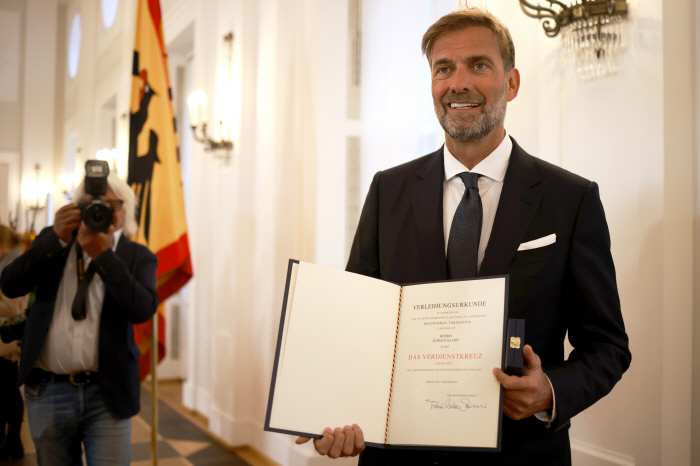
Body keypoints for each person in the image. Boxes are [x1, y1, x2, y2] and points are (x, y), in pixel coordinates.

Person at [296, 7, 631, 466]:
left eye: (478, 65)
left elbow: (608, 347)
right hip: (400, 455)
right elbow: (360, 328)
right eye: (443, 69)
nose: (458, 83)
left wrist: (548, 390)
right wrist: (330, 415)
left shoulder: (570, 198)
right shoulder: (387, 190)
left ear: (511, 83)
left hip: (521, 455)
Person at [0, 172, 159, 465]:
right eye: (88, 204)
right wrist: (56, 239)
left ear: (126, 210)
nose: (100, 211)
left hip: (108, 394)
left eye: (111, 204)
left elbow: (142, 309)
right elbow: (9, 284)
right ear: (74, 208)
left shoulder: (138, 256)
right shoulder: (53, 240)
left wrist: (104, 256)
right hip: (48, 389)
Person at [0, 225, 29, 461]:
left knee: (9, 392)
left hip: (7, 340)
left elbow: (14, 307)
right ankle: (7, 440)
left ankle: (13, 440)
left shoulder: (17, 265)